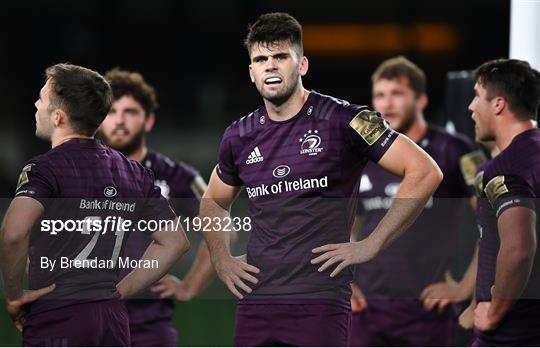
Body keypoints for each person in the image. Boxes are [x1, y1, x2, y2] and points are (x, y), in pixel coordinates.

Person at [198, 12, 443, 346]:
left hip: (320, 302)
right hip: (257, 301)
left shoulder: (346, 120)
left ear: (302, 65)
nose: (270, 66)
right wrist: (221, 259)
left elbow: (425, 171)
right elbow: (213, 201)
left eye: (281, 56)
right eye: (261, 59)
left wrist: (372, 243)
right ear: (252, 71)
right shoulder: (238, 135)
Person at [0, 63, 189, 346]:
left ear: (59, 117)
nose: (36, 104)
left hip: (58, 315)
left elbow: (13, 233)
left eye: (42, 98)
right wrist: (119, 291)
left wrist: (15, 295)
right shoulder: (133, 171)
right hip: (112, 320)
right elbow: (174, 241)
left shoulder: (45, 168)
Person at [348, 56, 483, 346]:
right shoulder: (363, 156)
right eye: (380, 96)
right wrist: (343, 282)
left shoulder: (455, 149)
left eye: (397, 94)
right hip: (365, 313)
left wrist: (463, 287)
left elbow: (494, 221)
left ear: (420, 99)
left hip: (427, 312)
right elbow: (346, 226)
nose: (387, 104)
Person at [98, 68, 218, 346]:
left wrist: (189, 286)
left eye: (130, 111)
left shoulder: (177, 176)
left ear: (148, 120)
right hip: (89, 320)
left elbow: (223, 232)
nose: (119, 120)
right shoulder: (78, 172)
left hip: (149, 327)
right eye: (111, 111)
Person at [467, 58, 540, 346]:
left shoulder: (503, 168)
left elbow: (519, 249)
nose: (471, 106)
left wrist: (494, 313)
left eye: (476, 96)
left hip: (511, 335)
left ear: (498, 104)